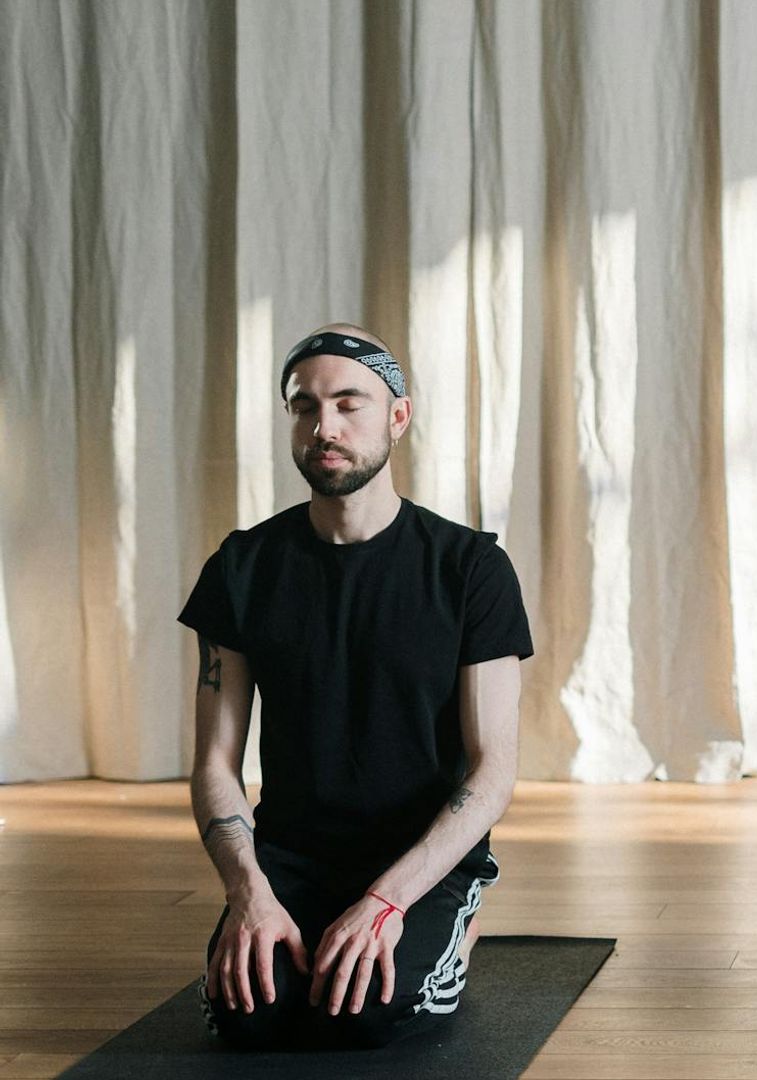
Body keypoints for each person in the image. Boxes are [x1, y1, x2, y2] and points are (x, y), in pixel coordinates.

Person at [180, 324, 533, 1048]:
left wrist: (387, 900)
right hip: (292, 855)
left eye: (350, 404)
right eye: (305, 406)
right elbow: (215, 763)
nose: (324, 427)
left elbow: (493, 770)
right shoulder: (242, 568)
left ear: (397, 417)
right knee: (246, 1019)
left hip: (419, 859)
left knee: (364, 1014)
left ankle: (455, 928)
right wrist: (249, 891)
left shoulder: (470, 570)